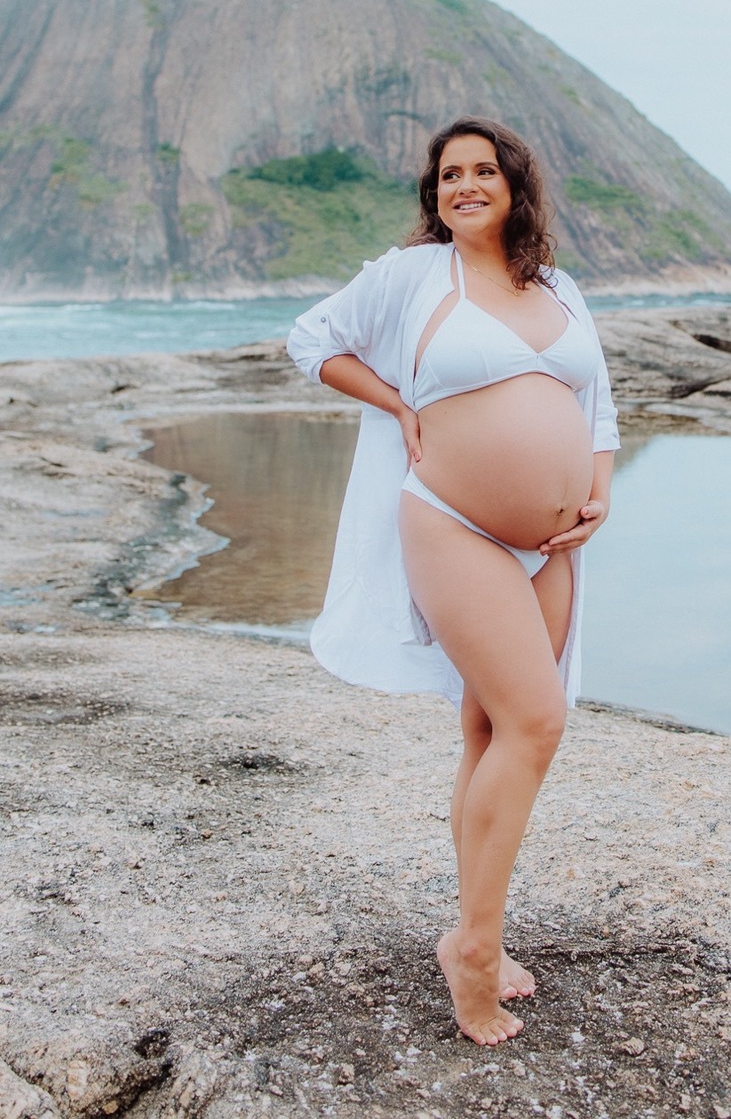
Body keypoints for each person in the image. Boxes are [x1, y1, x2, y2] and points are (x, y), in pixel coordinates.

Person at [287, 116, 619, 1046]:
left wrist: (598, 493)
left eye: (482, 170)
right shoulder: (411, 273)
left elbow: (598, 403)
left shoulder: (558, 288)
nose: (463, 185)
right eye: (447, 175)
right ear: (434, 194)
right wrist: (397, 400)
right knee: (536, 720)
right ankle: (472, 952)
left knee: (489, 726)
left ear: (516, 183)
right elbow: (311, 341)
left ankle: (480, 927)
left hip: (553, 546)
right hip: (455, 524)